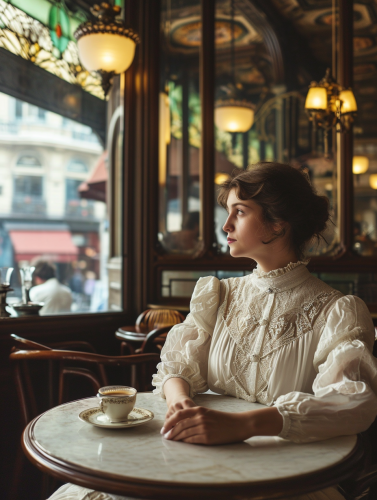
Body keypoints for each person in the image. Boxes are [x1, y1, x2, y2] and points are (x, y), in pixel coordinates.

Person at [49, 163, 377, 500]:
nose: (225, 225)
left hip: (286, 479)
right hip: (195, 458)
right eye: (228, 212)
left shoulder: (338, 310)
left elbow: (352, 402)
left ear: (278, 224)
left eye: (240, 212)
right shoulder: (218, 294)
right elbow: (177, 369)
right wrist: (181, 404)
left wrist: (244, 425)